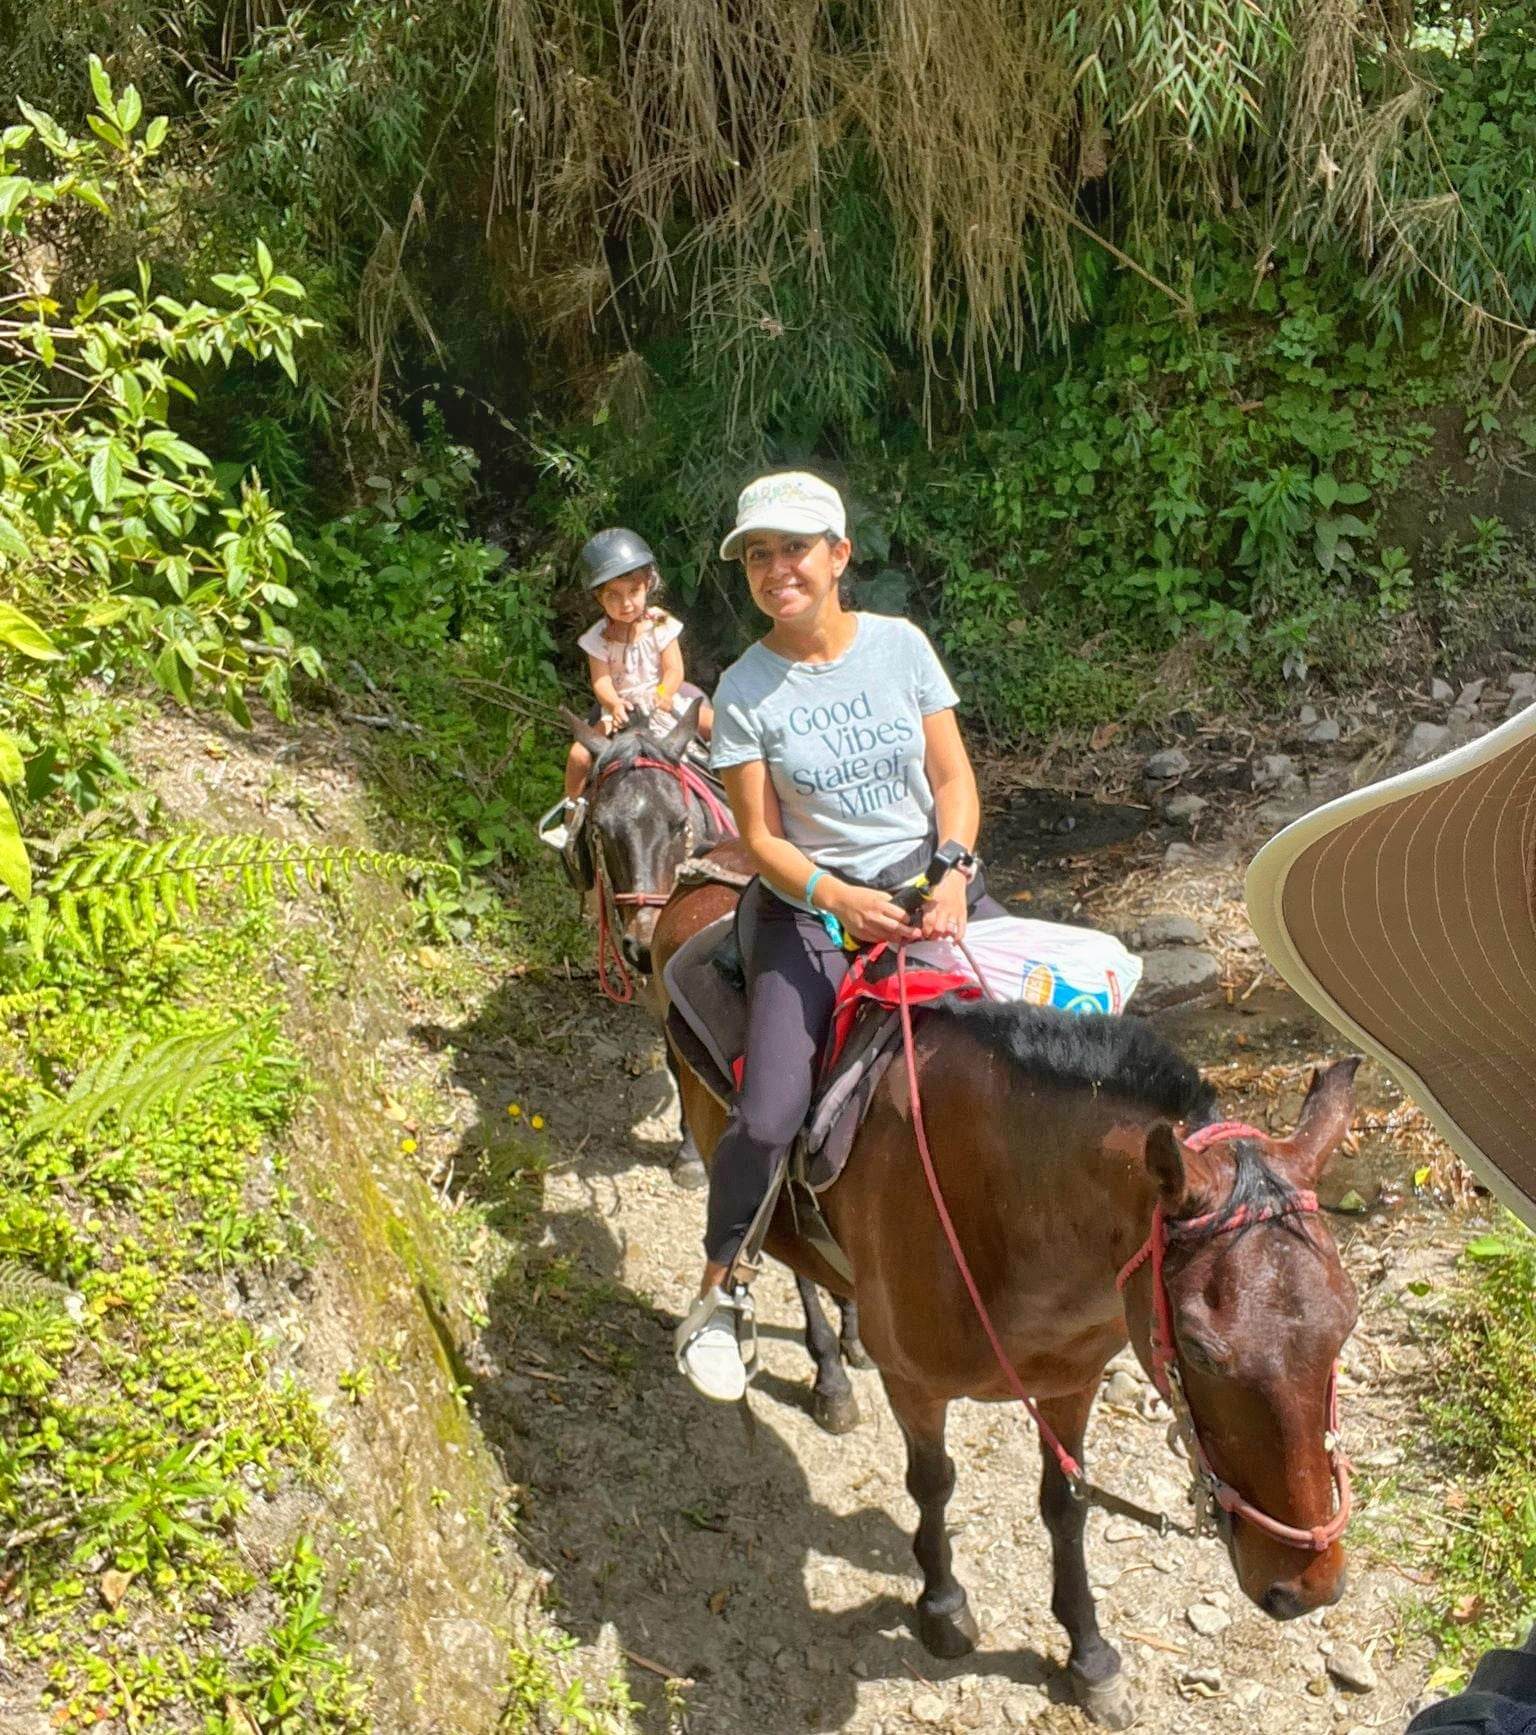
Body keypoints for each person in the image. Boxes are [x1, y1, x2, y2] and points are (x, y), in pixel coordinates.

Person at [673, 470, 1005, 1401]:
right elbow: (760, 837)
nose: (777, 569)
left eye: (795, 549)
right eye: (758, 555)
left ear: (839, 556)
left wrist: (953, 871)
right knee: (772, 1108)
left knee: (1055, 1037)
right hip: (807, 907)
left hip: (928, 884)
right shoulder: (745, 688)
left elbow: (955, 782)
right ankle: (723, 1284)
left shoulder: (900, 649)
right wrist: (838, 899)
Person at [558, 528, 714, 818]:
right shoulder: (597, 638)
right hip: (622, 709)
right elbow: (601, 681)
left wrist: (664, 694)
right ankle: (572, 811)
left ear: (647, 587)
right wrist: (614, 704)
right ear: (599, 599)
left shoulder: (661, 625)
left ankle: (734, 793)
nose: (626, 603)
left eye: (633, 592)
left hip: (659, 700)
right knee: (579, 754)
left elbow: (673, 669)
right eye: (613, 596)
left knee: (717, 725)